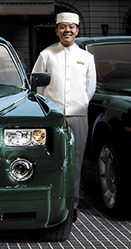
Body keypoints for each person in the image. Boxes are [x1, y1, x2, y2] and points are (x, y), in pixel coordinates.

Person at [32, 11, 96, 211]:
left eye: (71, 27)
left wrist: (79, 104)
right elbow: (37, 86)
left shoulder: (87, 57)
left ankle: (72, 203)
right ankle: (49, 201)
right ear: (57, 31)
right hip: (53, 117)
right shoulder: (46, 54)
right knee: (51, 158)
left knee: (76, 160)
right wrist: (49, 107)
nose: (67, 30)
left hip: (78, 115)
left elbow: (90, 88)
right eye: (62, 27)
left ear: (76, 31)